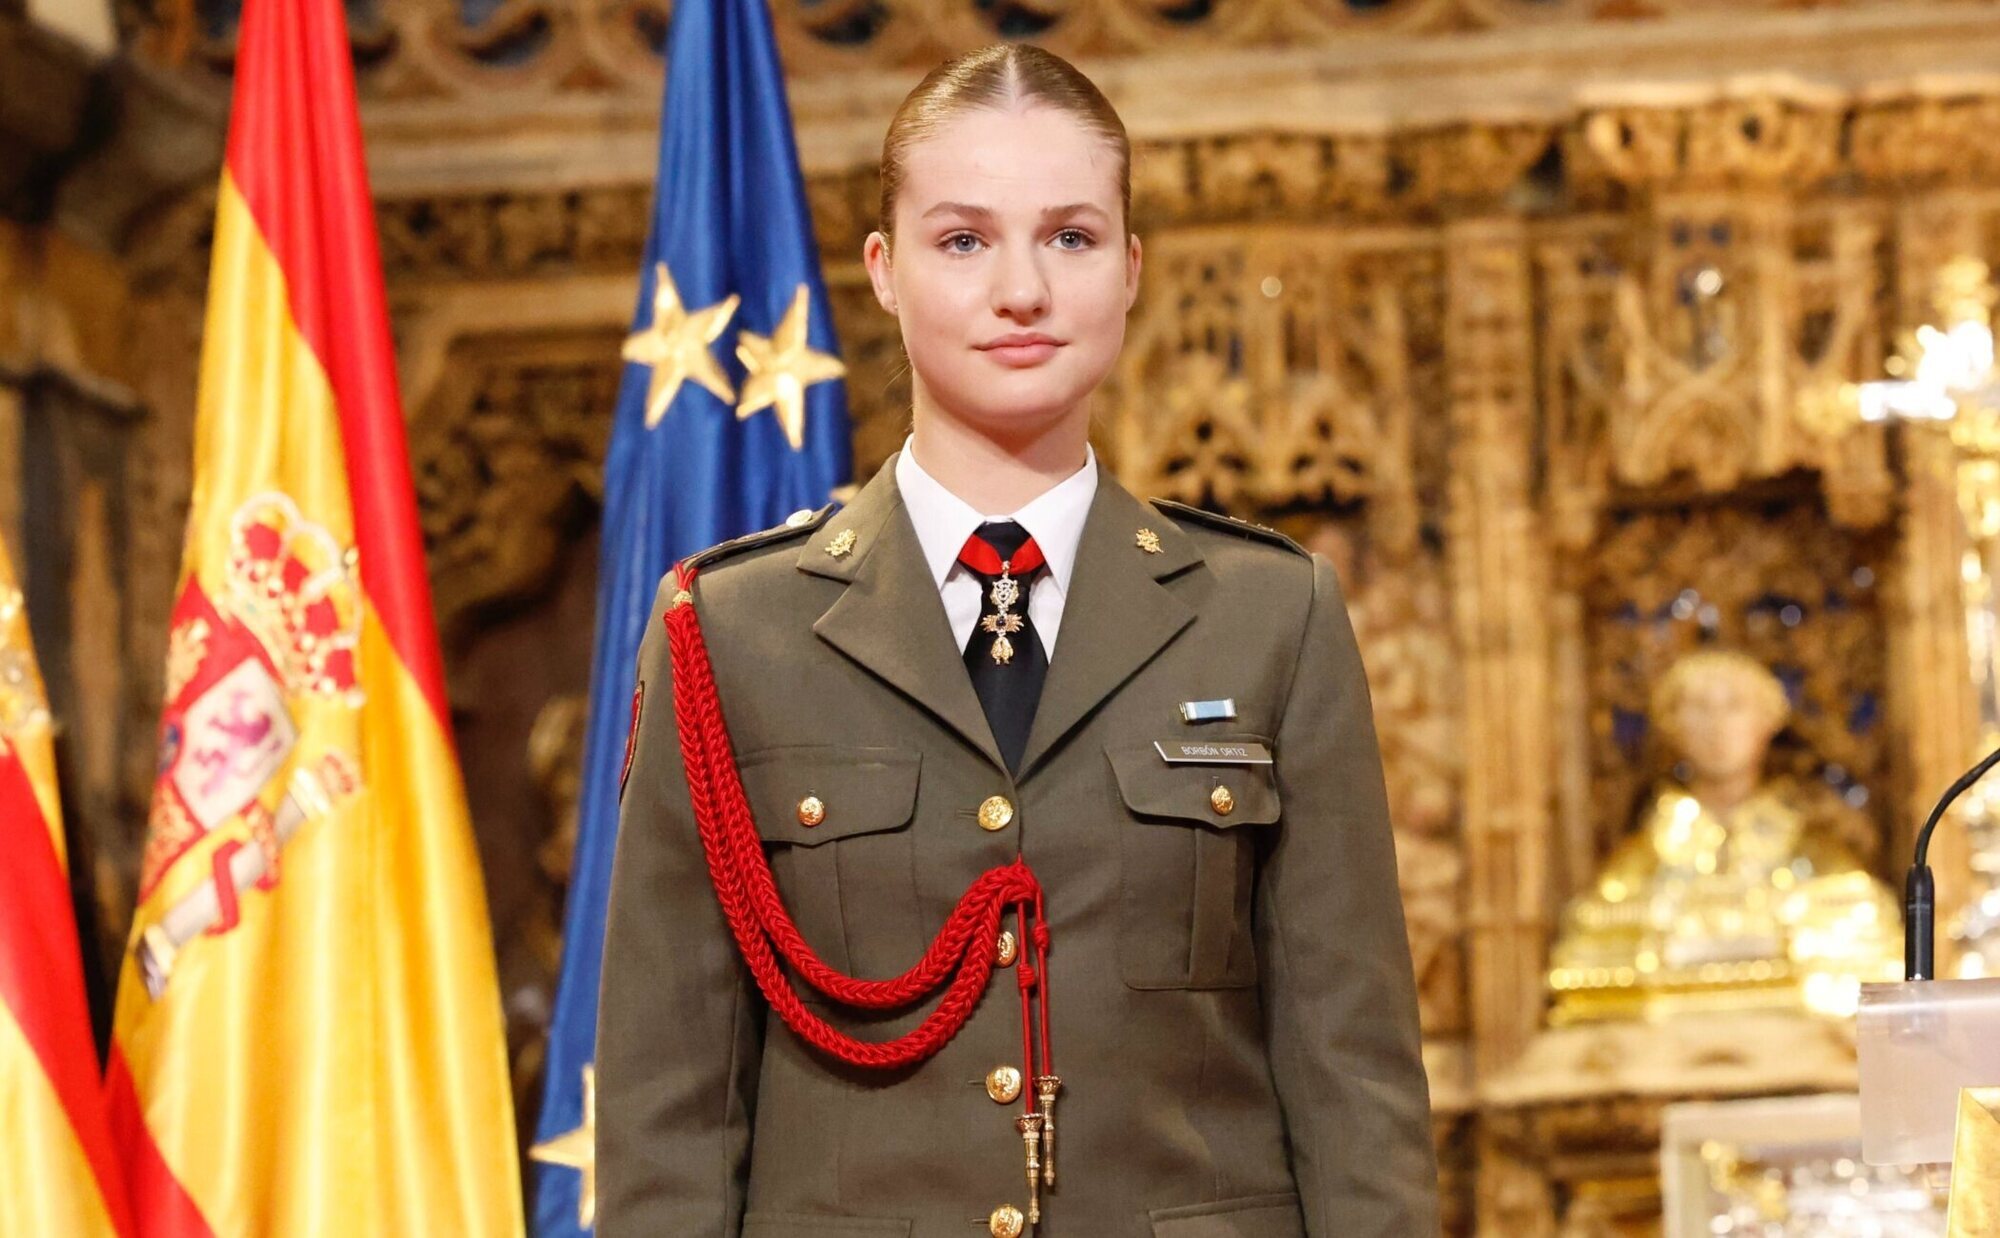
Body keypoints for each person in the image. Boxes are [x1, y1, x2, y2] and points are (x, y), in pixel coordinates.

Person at [596, 43, 1438, 1238]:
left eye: (1070, 236)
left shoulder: (1268, 614)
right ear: (883, 271)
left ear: (1131, 268)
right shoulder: (731, 634)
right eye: (962, 240)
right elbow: (665, 1113)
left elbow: (1354, 1084)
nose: (1023, 290)